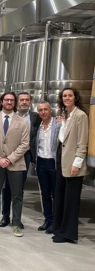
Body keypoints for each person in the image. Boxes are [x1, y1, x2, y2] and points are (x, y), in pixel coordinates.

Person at [0, 92, 29, 238]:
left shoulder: (22, 121)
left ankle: (16, 224)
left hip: (15, 164)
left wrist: (9, 159)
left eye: (11, 100)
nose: (9, 102)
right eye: (6, 100)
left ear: (14, 102)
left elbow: (24, 144)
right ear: (1, 102)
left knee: (17, 195)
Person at [51, 87, 88, 243]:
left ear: (75, 97)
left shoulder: (80, 116)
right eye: (64, 96)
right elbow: (62, 138)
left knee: (71, 200)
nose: (67, 98)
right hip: (61, 159)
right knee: (60, 196)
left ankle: (69, 233)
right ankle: (59, 228)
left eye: (69, 95)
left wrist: (77, 163)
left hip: (72, 162)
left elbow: (82, 142)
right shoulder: (65, 115)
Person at [0, 92, 41, 228]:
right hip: (10, 155)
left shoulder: (36, 117)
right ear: (17, 102)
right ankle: (5, 216)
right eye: (22, 100)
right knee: (6, 187)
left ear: (30, 102)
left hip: (26, 155)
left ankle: (17, 218)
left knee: (19, 188)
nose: (24, 102)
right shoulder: (10, 116)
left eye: (27, 100)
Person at [30, 101, 61, 232]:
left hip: (53, 162)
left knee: (56, 193)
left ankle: (56, 222)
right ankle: (48, 220)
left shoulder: (59, 124)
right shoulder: (38, 126)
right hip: (41, 162)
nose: (43, 112)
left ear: (50, 110)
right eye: (40, 110)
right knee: (45, 194)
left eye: (45, 109)